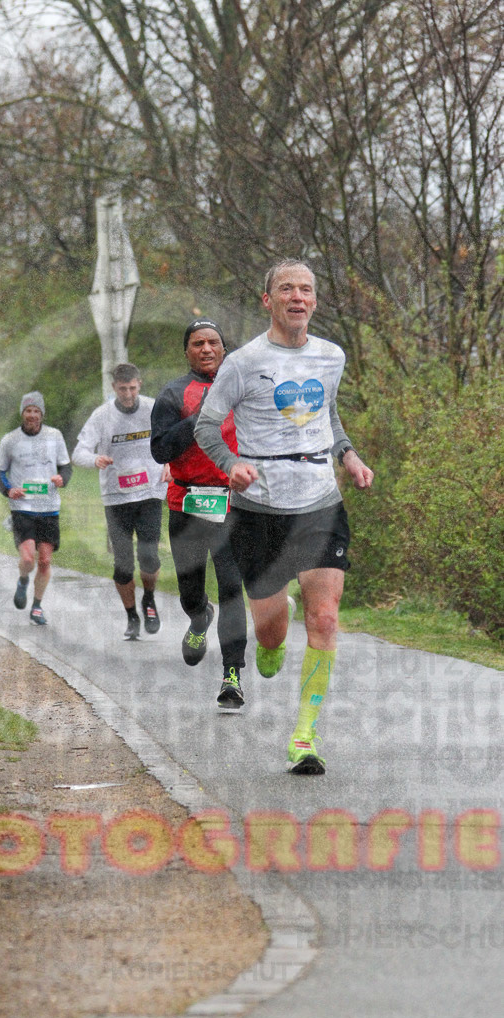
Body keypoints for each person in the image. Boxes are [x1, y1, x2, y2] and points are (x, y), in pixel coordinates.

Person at [195, 259, 374, 773]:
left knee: (326, 618)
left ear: (315, 301)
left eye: (307, 289)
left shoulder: (331, 356)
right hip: (260, 509)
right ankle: (272, 640)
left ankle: (304, 738)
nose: (298, 297)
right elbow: (208, 426)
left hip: (320, 502)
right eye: (286, 289)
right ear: (267, 299)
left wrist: (349, 456)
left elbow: (328, 416)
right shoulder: (243, 362)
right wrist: (232, 466)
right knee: (271, 632)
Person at [151, 318, 247, 708]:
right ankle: (198, 616)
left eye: (213, 342)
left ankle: (232, 675)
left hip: (232, 502)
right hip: (187, 503)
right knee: (191, 589)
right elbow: (160, 451)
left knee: (231, 587)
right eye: (197, 344)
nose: (206, 349)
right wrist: (199, 418)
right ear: (187, 351)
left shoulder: (243, 390)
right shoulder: (173, 393)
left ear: (224, 348)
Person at [72, 363, 167, 640]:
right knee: (123, 563)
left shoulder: (152, 408)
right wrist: (95, 459)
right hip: (116, 496)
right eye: (123, 388)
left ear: (140, 384)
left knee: (149, 556)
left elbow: (172, 439)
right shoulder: (102, 416)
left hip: (149, 492)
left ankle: (148, 598)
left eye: (133, 388)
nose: (128, 394)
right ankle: (131, 616)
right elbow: (79, 452)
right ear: (114, 388)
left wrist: (170, 464)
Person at [0, 391, 72, 626]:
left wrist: (62, 479)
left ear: (42, 414)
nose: (32, 415)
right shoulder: (10, 440)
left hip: (48, 507)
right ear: (22, 413)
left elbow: (66, 468)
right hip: (22, 506)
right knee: (28, 558)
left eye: (36, 411)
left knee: (45, 561)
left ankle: (36, 606)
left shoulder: (54, 436)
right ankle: (23, 578)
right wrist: (9, 490)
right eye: (28, 411)